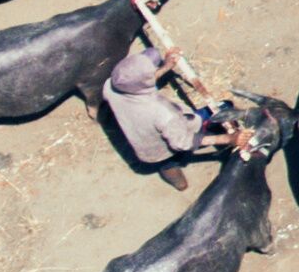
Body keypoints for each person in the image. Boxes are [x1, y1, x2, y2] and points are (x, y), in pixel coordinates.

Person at [102, 47, 244, 189]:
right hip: (170, 142)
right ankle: (228, 140)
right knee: (224, 107)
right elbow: (183, 142)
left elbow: (139, 85)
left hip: (146, 149)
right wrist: (228, 139)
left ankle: (179, 184)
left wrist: (166, 67)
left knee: (167, 165)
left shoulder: (109, 87)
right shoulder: (162, 113)